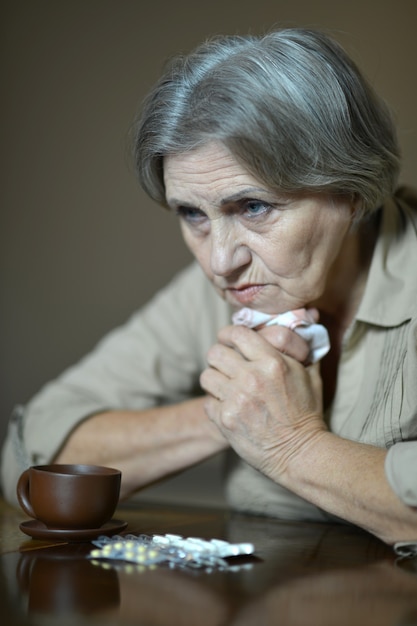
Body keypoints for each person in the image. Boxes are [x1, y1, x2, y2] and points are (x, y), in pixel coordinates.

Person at [2, 28, 417, 546]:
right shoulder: (229, 288)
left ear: (351, 193)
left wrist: (292, 444)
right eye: (192, 213)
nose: (220, 262)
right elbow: (34, 455)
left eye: (254, 207)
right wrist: (230, 411)